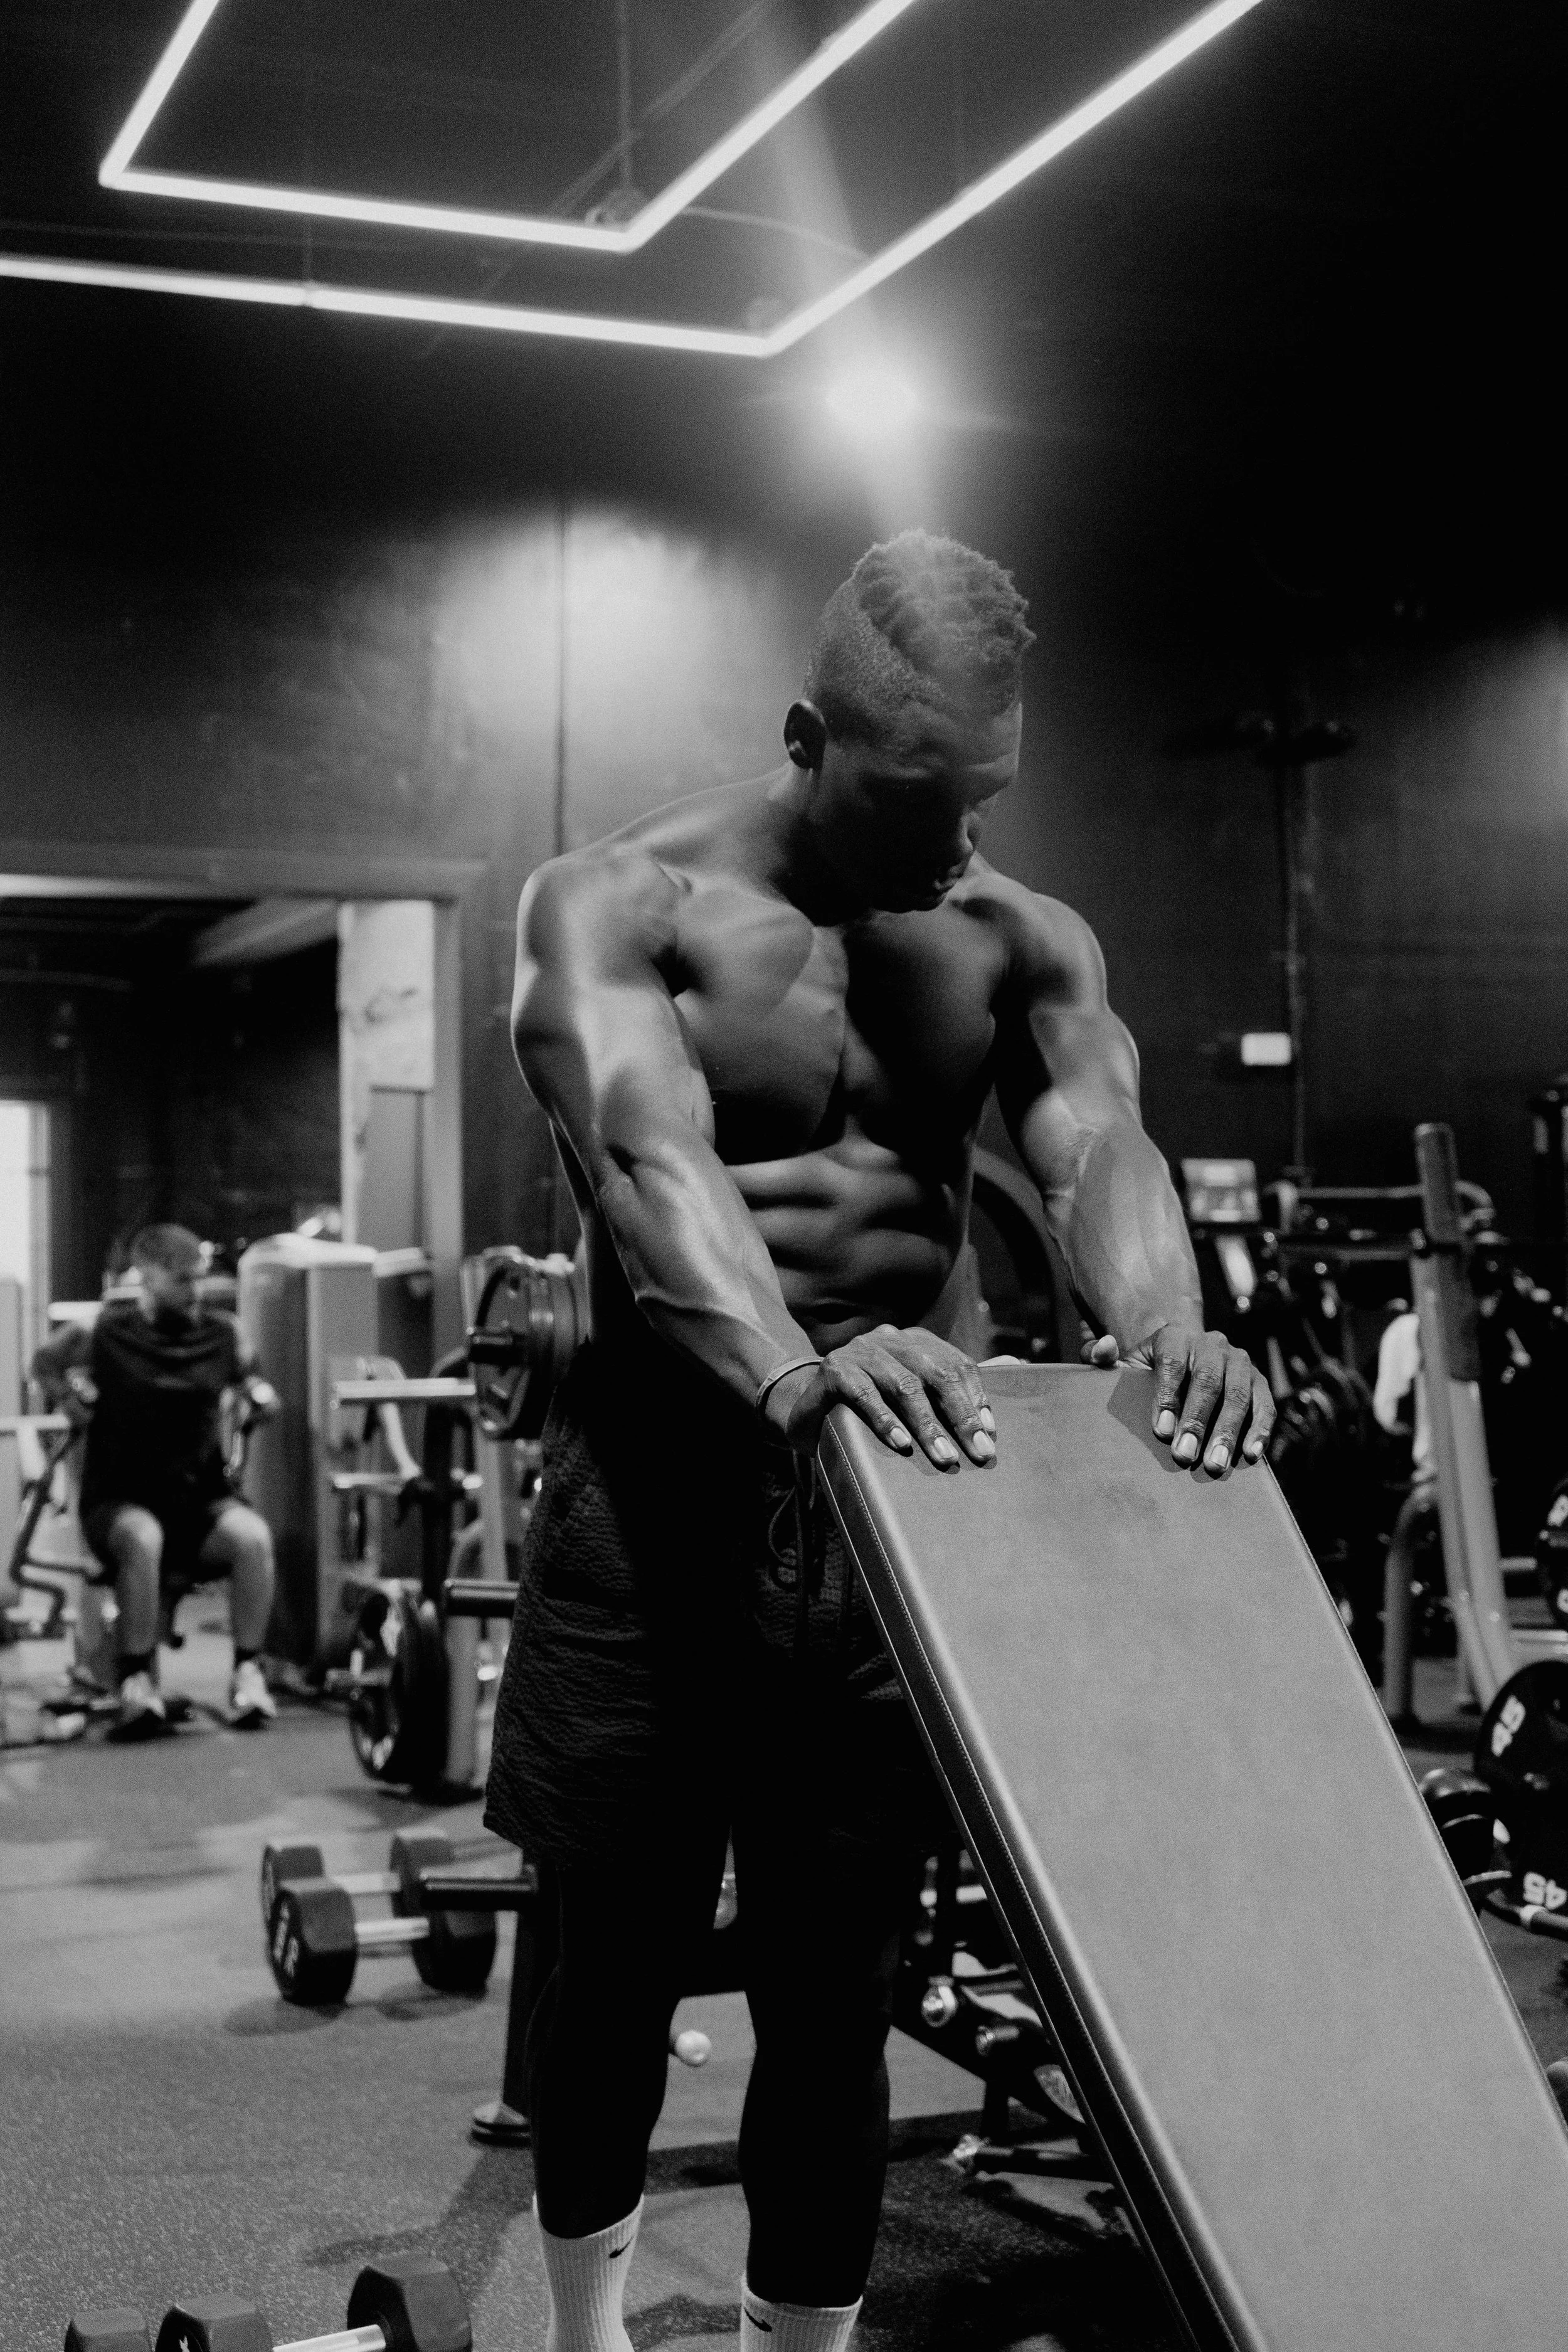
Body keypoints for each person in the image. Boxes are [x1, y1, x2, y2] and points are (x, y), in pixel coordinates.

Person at [485, 529, 1274, 2352]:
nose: (956, 841)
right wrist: (791, 1373)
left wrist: (1163, 1322)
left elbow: (1094, 1142)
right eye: (919, 798)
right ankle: (584, 2333)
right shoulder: (615, 904)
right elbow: (644, 1159)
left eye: (984, 797)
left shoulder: (1013, 935)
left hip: (882, 1533)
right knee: (608, 1972)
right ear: (804, 736)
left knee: (834, 1991)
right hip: (653, 1516)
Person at [31, 1222, 280, 1737]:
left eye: (199, 1278)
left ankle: (247, 1674)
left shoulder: (224, 1333)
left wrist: (261, 1397)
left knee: (254, 1539)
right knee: (144, 1537)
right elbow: (43, 1363)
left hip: (199, 1501)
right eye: (183, 1281)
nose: (196, 1292)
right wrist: (69, 1399)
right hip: (119, 1501)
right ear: (146, 1277)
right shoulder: (104, 1332)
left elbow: (252, 1378)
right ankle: (136, 1681)